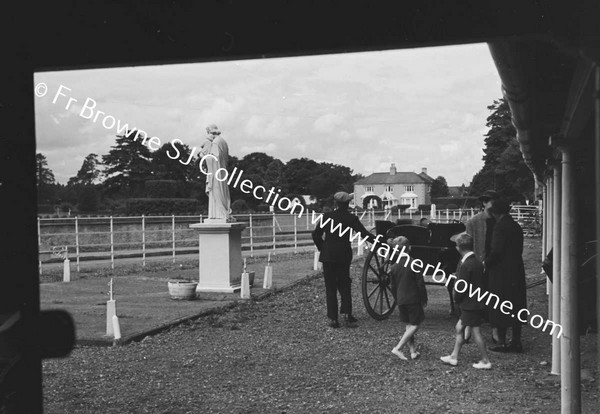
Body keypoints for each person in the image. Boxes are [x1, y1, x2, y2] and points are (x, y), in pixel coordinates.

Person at [311, 191, 377, 328]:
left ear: (336, 203)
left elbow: (316, 234)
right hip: (343, 255)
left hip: (328, 256)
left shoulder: (327, 217)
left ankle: (333, 319)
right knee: (344, 285)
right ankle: (347, 315)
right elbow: (364, 234)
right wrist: (378, 241)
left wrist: (322, 247)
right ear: (348, 203)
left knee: (330, 287)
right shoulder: (351, 218)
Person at [440, 233, 492, 369]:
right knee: (459, 328)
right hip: (476, 302)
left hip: (470, 304)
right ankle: (454, 356)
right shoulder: (478, 262)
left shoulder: (465, 265)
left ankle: (485, 360)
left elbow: (460, 288)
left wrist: (457, 299)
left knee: (475, 332)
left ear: (459, 248)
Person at [485, 199, 527, 353]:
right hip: (516, 268)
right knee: (516, 305)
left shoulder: (500, 227)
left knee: (500, 303)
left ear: (496, 212)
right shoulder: (515, 226)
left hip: (501, 271)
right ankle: (516, 340)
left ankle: (501, 342)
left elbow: (496, 251)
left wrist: (486, 263)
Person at [465, 189, 498, 342]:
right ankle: (467, 328)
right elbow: (467, 243)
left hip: (494, 264)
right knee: (473, 295)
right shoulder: (473, 222)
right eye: (491, 201)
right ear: (484, 203)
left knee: (494, 297)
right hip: (478, 262)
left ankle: (495, 330)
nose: (493, 204)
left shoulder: (499, 220)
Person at [390, 236, 428, 360]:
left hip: (401, 300)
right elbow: (420, 284)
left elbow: (393, 286)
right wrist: (424, 299)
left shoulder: (394, 267)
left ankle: (412, 351)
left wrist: (397, 299)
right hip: (413, 299)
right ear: (409, 248)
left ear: (395, 251)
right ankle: (398, 348)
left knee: (408, 326)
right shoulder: (414, 263)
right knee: (416, 325)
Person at [199, 124, 232, 222]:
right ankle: (220, 214)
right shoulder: (223, 142)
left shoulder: (216, 143)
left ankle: (219, 215)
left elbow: (214, 158)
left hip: (216, 174)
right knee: (222, 192)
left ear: (211, 132)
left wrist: (202, 155)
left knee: (217, 193)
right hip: (221, 173)